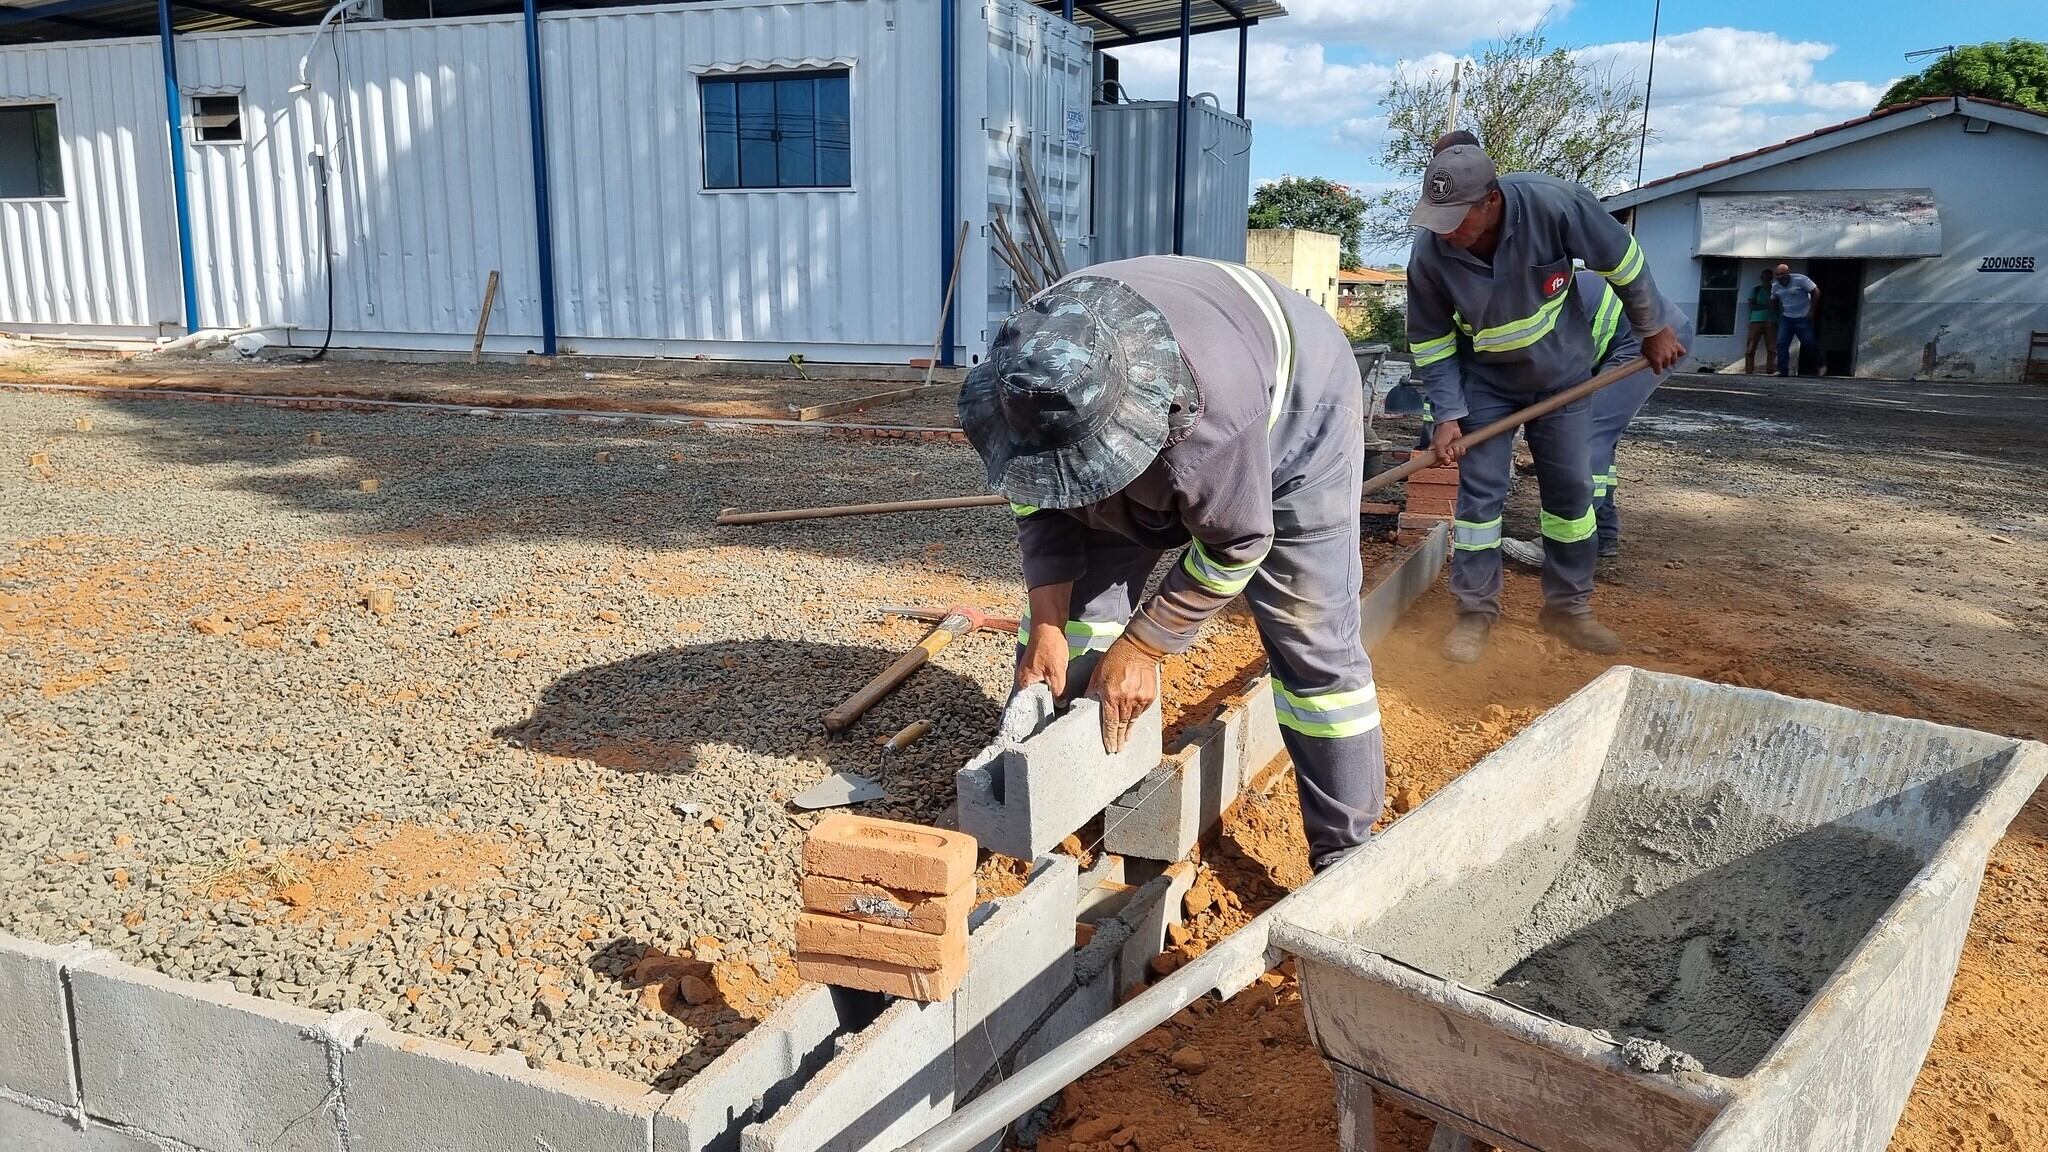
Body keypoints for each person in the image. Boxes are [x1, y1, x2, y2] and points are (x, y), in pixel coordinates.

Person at [958, 256, 1384, 872]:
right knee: (1071, 627)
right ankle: (1066, 788)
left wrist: (1146, 646)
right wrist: (1047, 623)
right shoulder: (1026, 382)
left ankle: (1347, 852)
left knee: (1312, 641)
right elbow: (1037, 499)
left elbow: (1238, 544)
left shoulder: (1210, 426)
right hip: (1167, 386)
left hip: (1298, 401)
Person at [1405, 144, 1686, 664]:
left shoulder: (1554, 204)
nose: (1444, 232)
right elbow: (1430, 340)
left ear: (1491, 201)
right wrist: (1447, 413)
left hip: (1563, 380)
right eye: (1436, 219)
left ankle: (1568, 608)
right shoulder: (1430, 255)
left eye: (1456, 219)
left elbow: (1622, 261)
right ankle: (1474, 614)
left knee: (1572, 494)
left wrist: (1651, 327)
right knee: (1480, 501)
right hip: (1486, 384)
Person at [1500, 271, 1695, 568]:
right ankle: (1601, 533)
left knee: (1586, 432)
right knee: (1600, 437)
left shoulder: (1519, 311)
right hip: (1613, 341)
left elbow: (1540, 382)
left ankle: (1565, 546)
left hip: (1651, 337)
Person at [1771, 263, 1820, 377]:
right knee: (1782, 343)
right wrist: (1775, 314)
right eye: (1777, 275)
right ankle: (1782, 370)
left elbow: (1816, 292)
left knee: (1808, 343)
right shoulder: (1775, 286)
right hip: (1787, 317)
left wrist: (1812, 311)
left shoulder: (1800, 279)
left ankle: (1819, 365)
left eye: (1782, 274)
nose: (1780, 277)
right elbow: (1773, 300)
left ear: (1788, 273)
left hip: (1803, 317)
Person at [1743, 266, 1777, 374]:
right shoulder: (1756, 290)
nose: (1766, 279)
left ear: (1771, 278)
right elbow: (1751, 305)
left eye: (1768, 277)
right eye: (1764, 277)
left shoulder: (1775, 290)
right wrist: (1766, 306)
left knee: (1772, 348)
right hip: (1756, 321)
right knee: (1751, 347)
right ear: (1761, 277)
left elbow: (1777, 305)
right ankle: (1749, 370)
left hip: (1771, 321)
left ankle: (1771, 370)